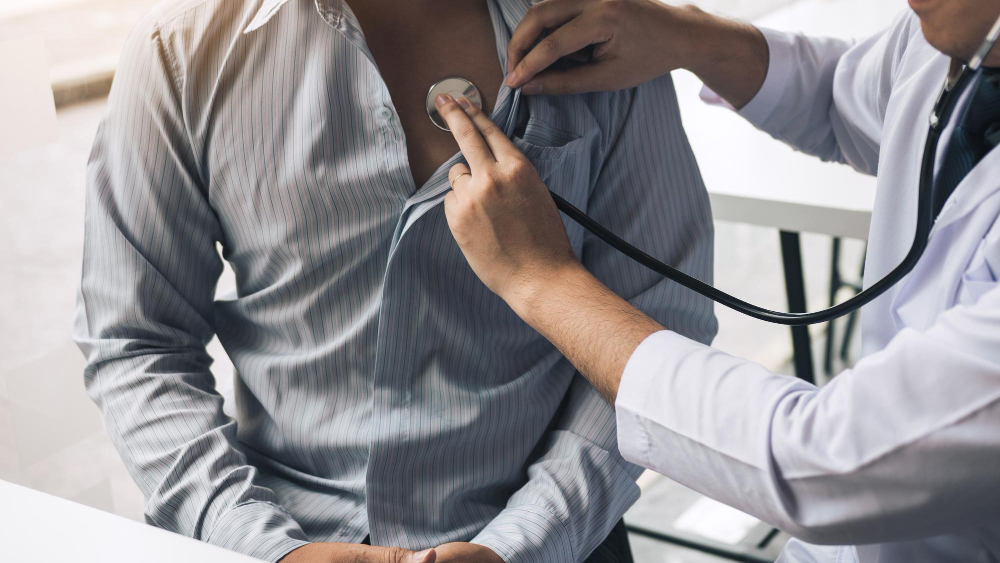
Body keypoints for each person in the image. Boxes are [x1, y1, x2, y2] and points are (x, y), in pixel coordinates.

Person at [72, 0, 719, 562]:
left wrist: (526, 541)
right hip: (274, 531)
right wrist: (262, 545)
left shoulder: (606, 37)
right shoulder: (180, 51)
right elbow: (136, 342)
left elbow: (663, 321)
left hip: (560, 540)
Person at [431, 0, 1000, 561]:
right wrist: (690, 36)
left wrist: (542, 281)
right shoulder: (954, 34)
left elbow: (827, 465)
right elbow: (850, 96)